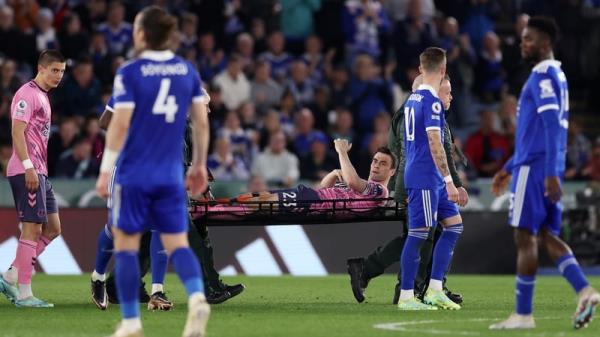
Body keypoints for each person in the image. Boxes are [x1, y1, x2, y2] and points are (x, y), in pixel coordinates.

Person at [94, 7, 210, 337]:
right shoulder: (187, 71)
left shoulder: (130, 72)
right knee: (178, 244)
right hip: (171, 173)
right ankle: (198, 299)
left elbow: (118, 126)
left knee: (127, 245)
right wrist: (200, 163)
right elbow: (201, 121)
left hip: (135, 173)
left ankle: (131, 322)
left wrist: (105, 171)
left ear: (142, 34)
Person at [489, 16, 600, 330]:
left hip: (537, 169)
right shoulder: (556, 76)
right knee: (545, 235)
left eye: (529, 39)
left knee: (524, 236)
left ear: (546, 43)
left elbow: (552, 128)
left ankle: (523, 315)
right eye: (523, 39)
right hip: (540, 166)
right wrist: (508, 167)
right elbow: (534, 133)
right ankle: (585, 290)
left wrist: (549, 172)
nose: (523, 44)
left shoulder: (542, 77)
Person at [346, 73, 468, 305]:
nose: (450, 95)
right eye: (445, 90)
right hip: (415, 180)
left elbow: (443, 149)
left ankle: (428, 286)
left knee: (432, 232)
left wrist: (454, 182)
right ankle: (405, 287)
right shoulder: (415, 111)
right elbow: (405, 150)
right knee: (423, 234)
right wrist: (403, 184)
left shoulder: (421, 110)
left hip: (426, 180)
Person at [396, 47, 463, 311]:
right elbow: (435, 142)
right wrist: (449, 180)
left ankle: (435, 289)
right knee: (418, 234)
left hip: (429, 175)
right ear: (443, 70)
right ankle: (406, 296)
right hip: (425, 175)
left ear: (422, 69)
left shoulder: (412, 98)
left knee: (455, 226)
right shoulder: (431, 101)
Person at [0, 50, 66, 308]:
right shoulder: (27, 94)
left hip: (40, 172)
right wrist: (28, 167)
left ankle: (11, 274)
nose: (59, 76)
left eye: (61, 71)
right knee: (32, 228)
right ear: (41, 68)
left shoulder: (44, 97)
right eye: (54, 70)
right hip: (26, 170)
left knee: (53, 228)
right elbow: (17, 132)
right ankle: (25, 295)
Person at [212, 141, 395, 214]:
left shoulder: (380, 191)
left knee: (262, 205)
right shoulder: (364, 188)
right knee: (261, 198)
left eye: (383, 163)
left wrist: (341, 152)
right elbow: (324, 190)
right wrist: (332, 175)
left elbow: (353, 182)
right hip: (313, 196)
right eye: (375, 161)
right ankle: (217, 206)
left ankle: (213, 212)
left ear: (392, 172)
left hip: (314, 203)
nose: (376, 165)